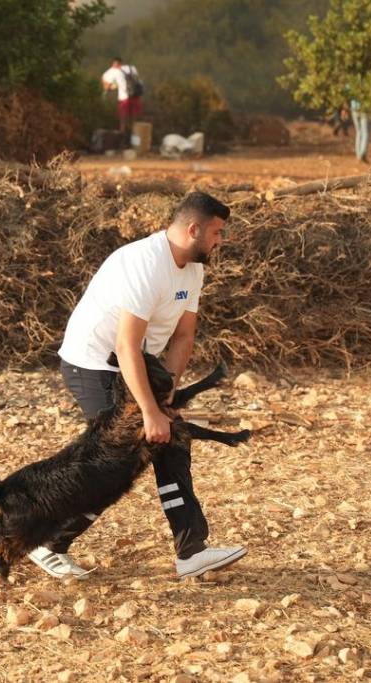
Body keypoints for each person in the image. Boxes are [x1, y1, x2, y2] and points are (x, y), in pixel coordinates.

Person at [28, 191, 247, 581]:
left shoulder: (193, 268)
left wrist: (165, 401)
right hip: (92, 363)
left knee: (171, 441)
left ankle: (191, 551)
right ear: (193, 229)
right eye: (216, 233)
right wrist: (148, 412)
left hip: (132, 365)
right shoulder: (145, 263)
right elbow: (124, 345)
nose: (220, 241)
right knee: (120, 457)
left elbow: (182, 339)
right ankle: (47, 540)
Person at [101, 57, 143, 144]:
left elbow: (106, 85)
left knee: (123, 121)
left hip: (124, 99)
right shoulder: (132, 68)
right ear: (122, 62)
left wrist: (113, 86)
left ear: (114, 64)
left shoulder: (113, 71)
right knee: (134, 121)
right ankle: (135, 143)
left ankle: (122, 143)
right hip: (136, 97)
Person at [349, 97, 370, 163]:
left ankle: (358, 155)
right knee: (365, 132)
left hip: (354, 108)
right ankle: (362, 153)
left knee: (358, 132)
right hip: (363, 109)